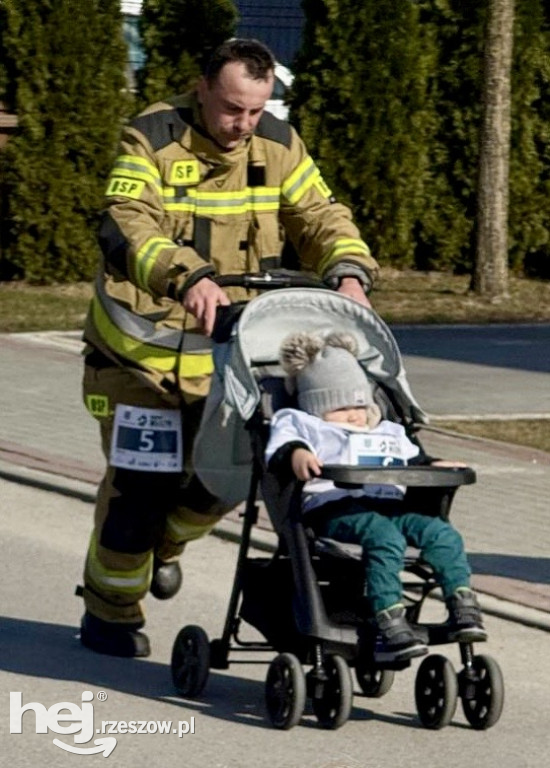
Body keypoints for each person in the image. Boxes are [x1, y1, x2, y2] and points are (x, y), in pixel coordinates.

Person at [79, 38, 380, 657]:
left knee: (226, 482)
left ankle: (164, 546)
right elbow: (126, 219)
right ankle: (109, 612)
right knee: (140, 491)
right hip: (142, 362)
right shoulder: (150, 137)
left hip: (235, 363)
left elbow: (320, 214)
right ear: (202, 88)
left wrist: (349, 269)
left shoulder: (277, 141)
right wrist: (186, 275)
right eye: (231, 109)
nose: (243, 125)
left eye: (255, 110)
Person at [265, 331, 487, 663]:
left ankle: (461, 601)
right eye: (341, 407)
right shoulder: (303, 424)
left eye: (359, 404)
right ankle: (388, 615)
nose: (354, 415)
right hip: (334, 508)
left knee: (441, 533)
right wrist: (296, 455)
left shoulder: (385, 430)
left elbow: (412, 460)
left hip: (390, 505)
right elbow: (281, 449)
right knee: (385, 538)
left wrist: (435, 464)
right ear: (316, 406)